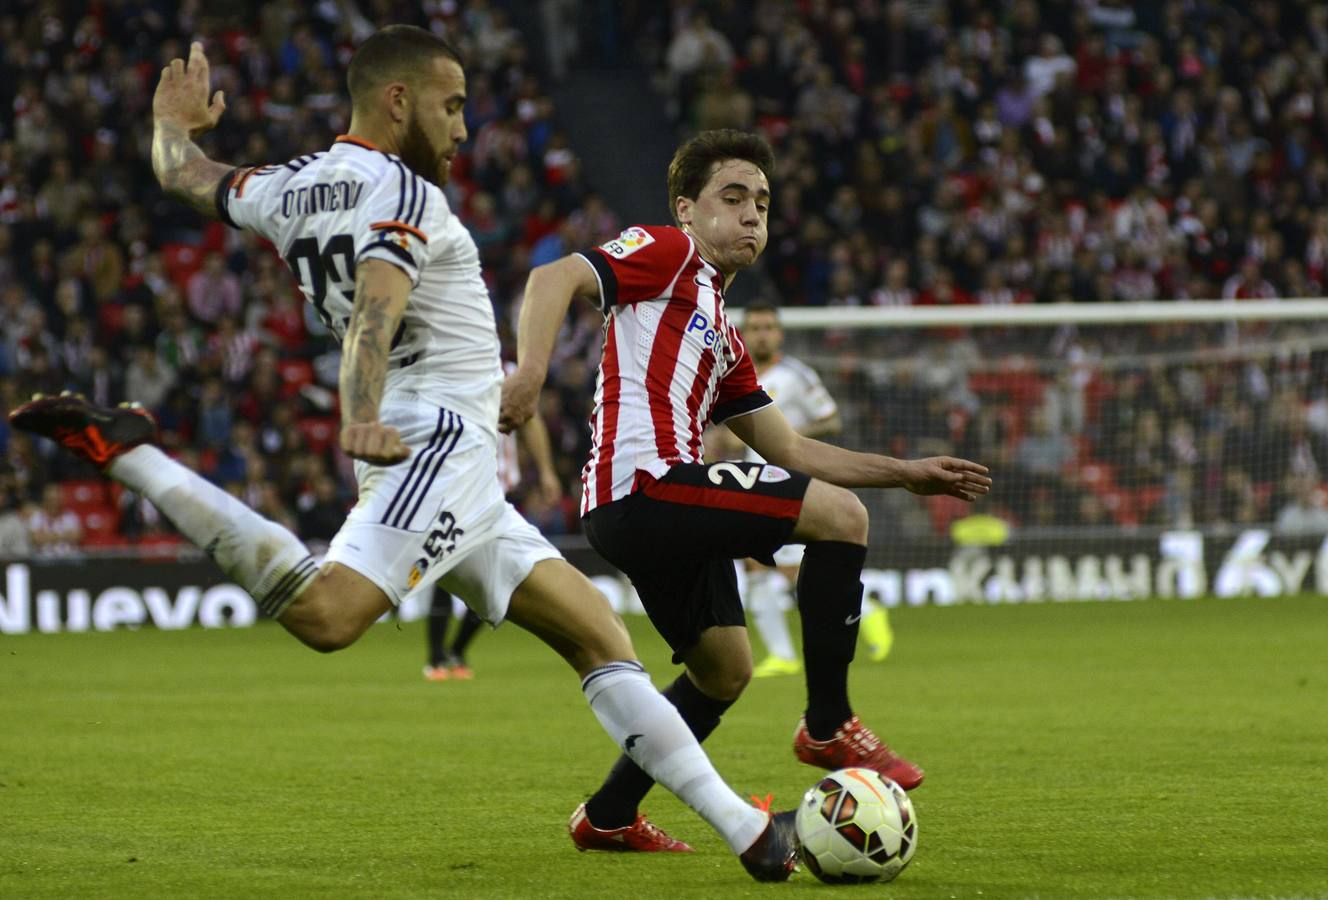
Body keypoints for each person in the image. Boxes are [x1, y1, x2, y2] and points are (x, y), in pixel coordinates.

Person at [9, 33, 796, 881]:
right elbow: (379, 303)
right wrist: (357, 412)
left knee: (599, 637)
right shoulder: (407, 194)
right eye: (451, 106)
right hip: (442, 439)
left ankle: (745, 835)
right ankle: (135, 459)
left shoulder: (291, 185)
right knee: (328, 616)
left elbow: (189, 178)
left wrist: (171, 128)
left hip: (442, 455)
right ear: (397, 102)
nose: (462, 130)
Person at [501, 128, 991, 851]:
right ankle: (827, 726)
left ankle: (606, 815)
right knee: (839, 516)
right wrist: (531, 371)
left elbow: (790, 448)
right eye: (732, 198)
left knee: (725, 670)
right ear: (687, 210)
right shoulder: (670, 254)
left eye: (762, 201)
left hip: (650, 508)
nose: (753, 214)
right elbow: (553, 277)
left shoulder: (724, 338)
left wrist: (906, 471)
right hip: (646, 485)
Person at [730, 302, 894, 678]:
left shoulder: (796, 375)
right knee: (755, 566)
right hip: (753, 480)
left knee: (785, 569)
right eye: (755, 328)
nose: (762, 334)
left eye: (769, 327)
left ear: (780, 333)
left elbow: (831, 419)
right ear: (744, 333)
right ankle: (784, 654)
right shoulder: (737, 373)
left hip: (792, 482)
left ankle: (866, 610)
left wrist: (788, 440)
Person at [425, 365, 562, 682]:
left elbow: (530, 420)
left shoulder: (510, 372)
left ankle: (456, 650)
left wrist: (546, 471)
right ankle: (435, 658)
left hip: (499, 491)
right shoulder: (449, 366)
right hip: (457, 488)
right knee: (442, 571)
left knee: (491, 578)